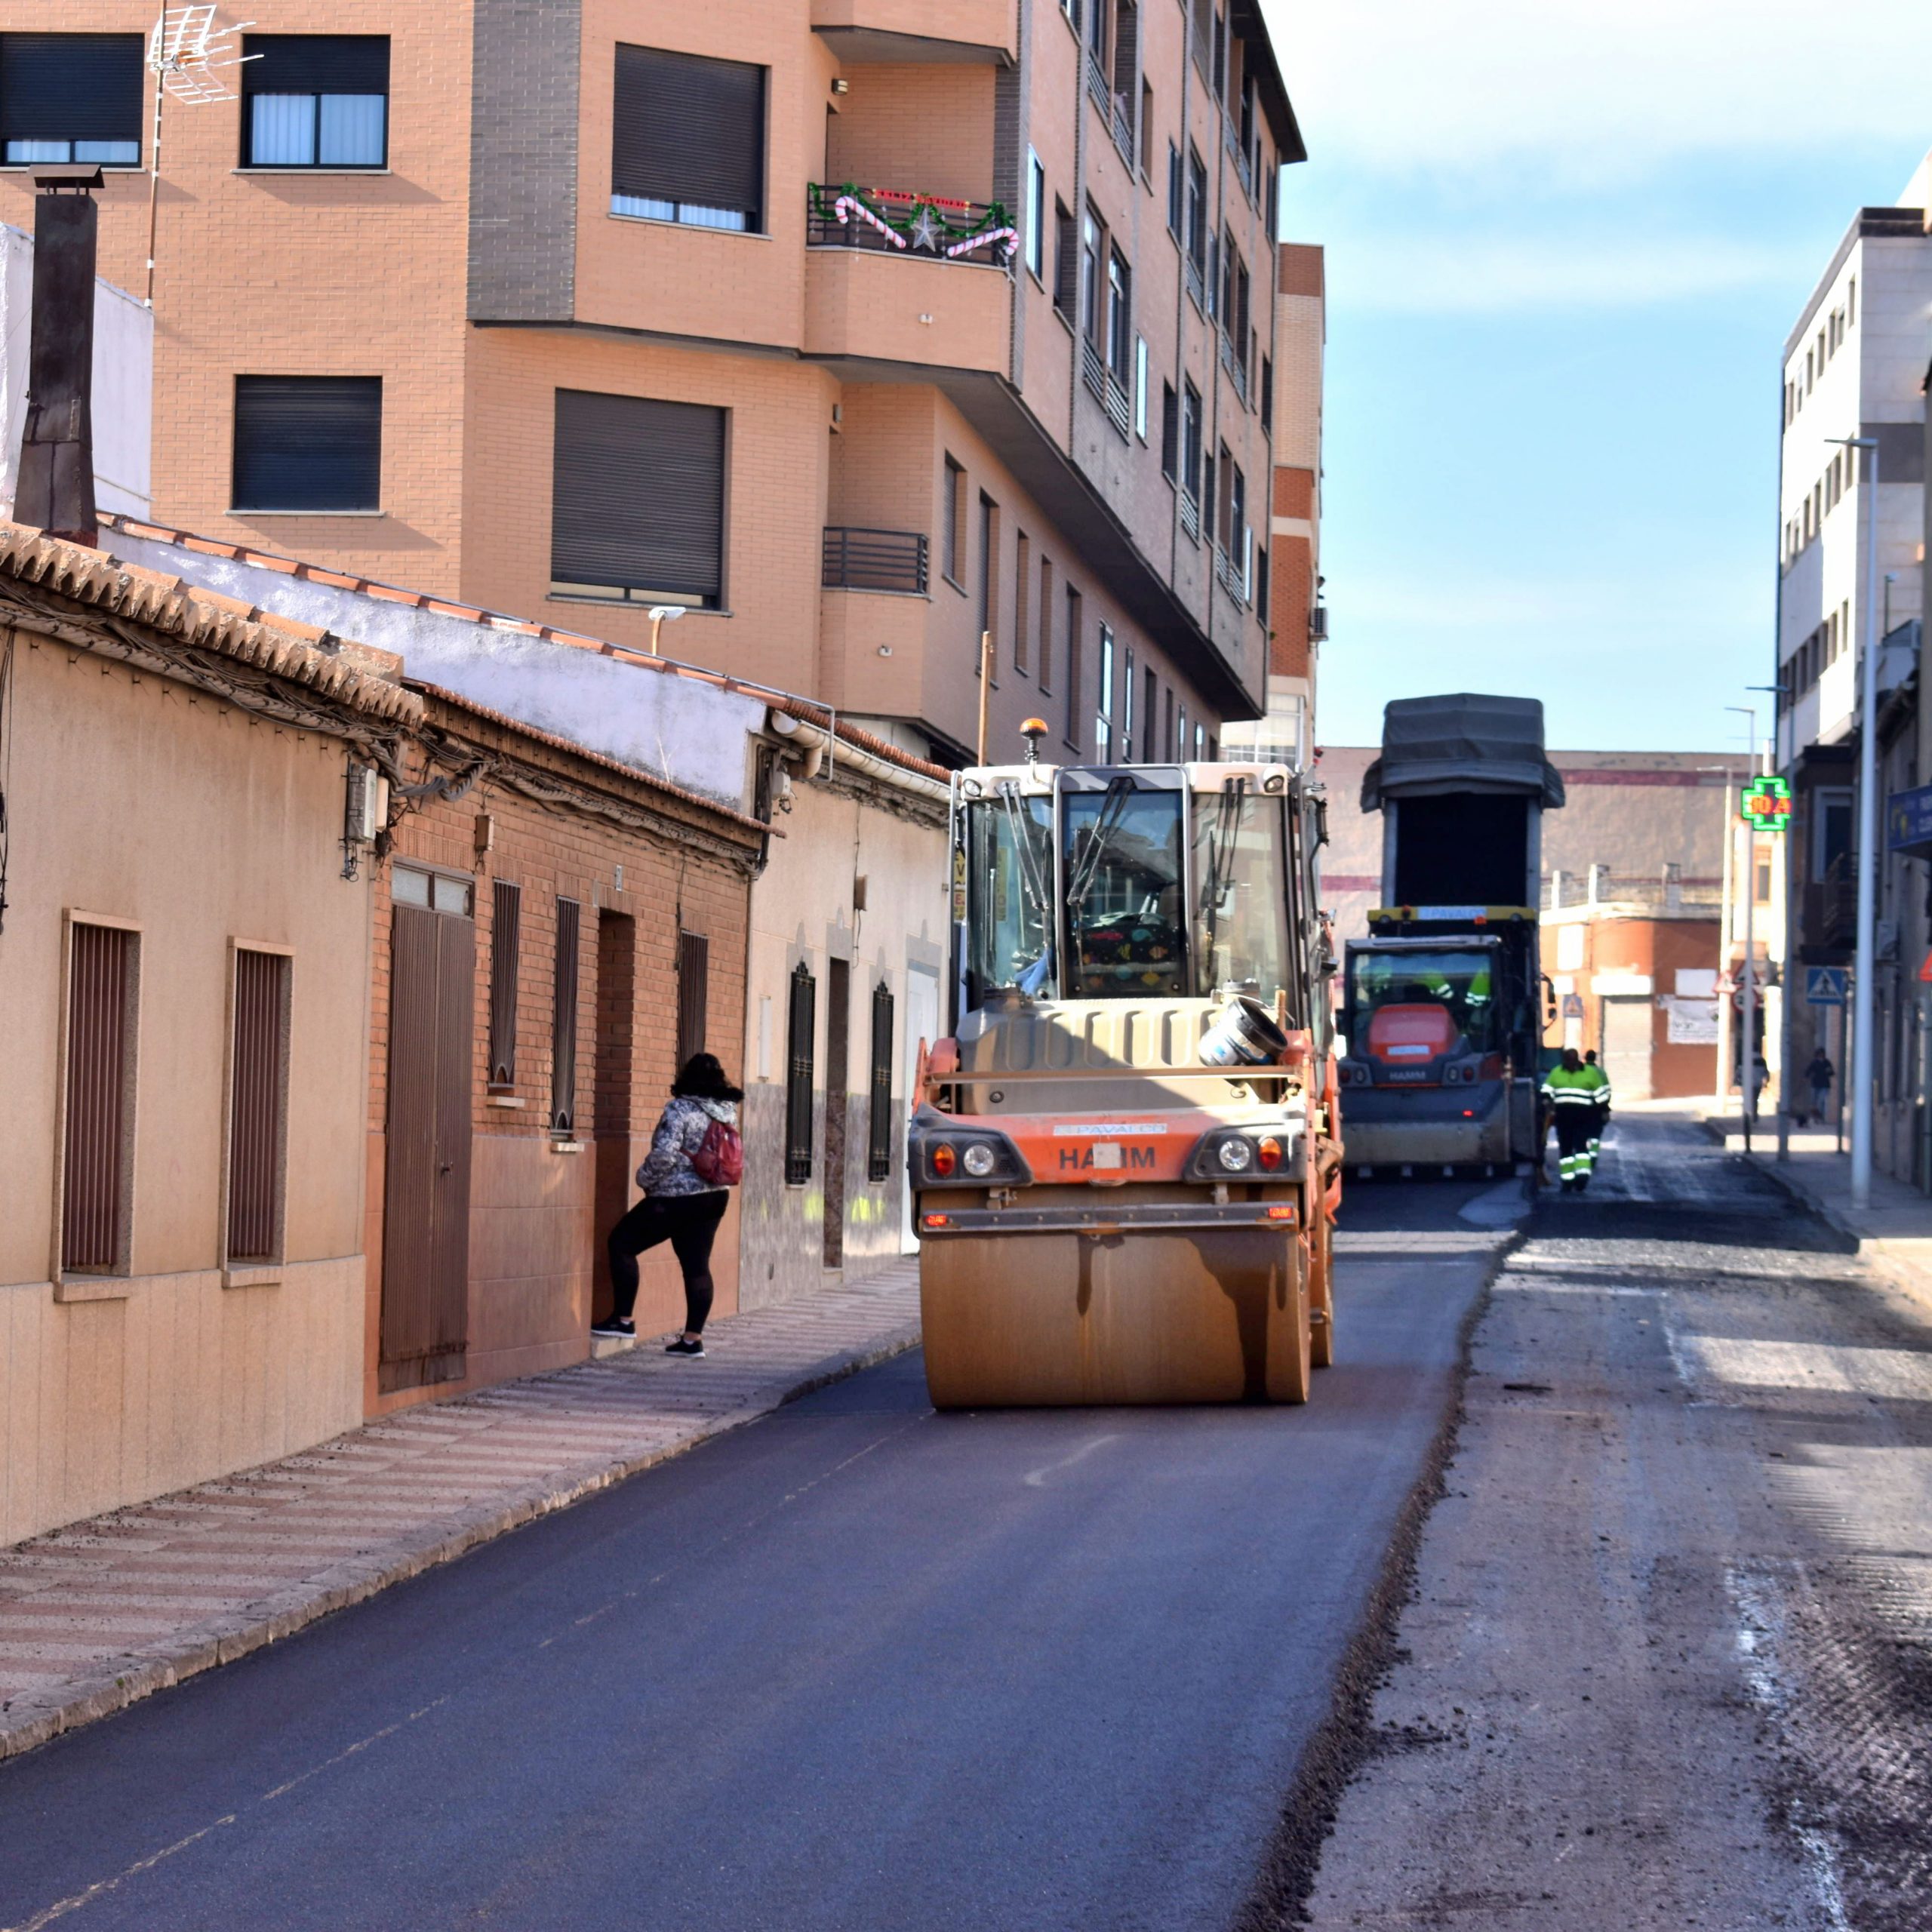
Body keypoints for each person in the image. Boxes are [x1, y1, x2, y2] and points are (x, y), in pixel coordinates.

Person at [593, 1052, 743, 1356]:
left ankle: (623, 1320)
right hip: (714, 1196)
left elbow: (665, 1154)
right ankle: (692, 1340)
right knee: (697, 1266)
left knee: (621, 1243)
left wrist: (644, 1179)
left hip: (675, 1197)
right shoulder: (727, 1112)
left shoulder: (680, 1109)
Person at [1541, 1048, 1611, 1193]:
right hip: (1563, 1118)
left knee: (1580, 1147)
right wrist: (1547, 1099)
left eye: (1572, 1060)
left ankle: (1582, 1177)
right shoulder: (1557, 1072)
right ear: (1564, 1060)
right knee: (1565, 1150)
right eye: (1567, 1060)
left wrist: (1604, 1110)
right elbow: (1547, 1089)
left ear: (1578, 1059)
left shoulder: (1590, 1073)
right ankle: (1567, 1181)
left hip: (1583, 1118)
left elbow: (1601, 1096)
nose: (1570, 1063)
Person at [1804, 1046, 1835, 1128]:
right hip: (1815, 1084)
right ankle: (1816, 1117)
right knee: (1814, 1102)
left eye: (1822, 1054)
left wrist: (1829, 1072)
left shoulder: (1827, 1063)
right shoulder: (1814, 1063)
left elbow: (1832, 1072)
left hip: (1825, 1085)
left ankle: (1820, 1117)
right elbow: (1807, 1072)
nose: (1821, 1056)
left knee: (1821, 1101)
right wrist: (1809, 1076)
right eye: (1819, 1054)